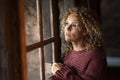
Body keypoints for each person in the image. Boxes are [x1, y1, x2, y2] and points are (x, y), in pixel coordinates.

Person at [51, 7, 107, 80]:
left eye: (74, 25)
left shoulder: (96, 55)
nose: (67, 28)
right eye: (66, 23)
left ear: (85, 31)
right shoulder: (69, 52)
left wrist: (61, 71)